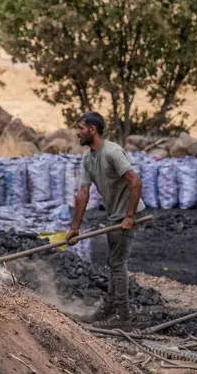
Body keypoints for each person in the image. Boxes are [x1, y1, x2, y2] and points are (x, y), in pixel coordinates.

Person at [66, 111, 144, 329]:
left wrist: (129, 216)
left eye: (80, 128)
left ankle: (124, 317)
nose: (77, 133)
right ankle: (109, 308)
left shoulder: (112, 152)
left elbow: (135, 182)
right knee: (113, 262)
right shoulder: (88, 158)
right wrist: (75, 228)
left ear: (92, 130)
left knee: (117, 263)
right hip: (114, 215)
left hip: (126, 214)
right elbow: (83, 194)